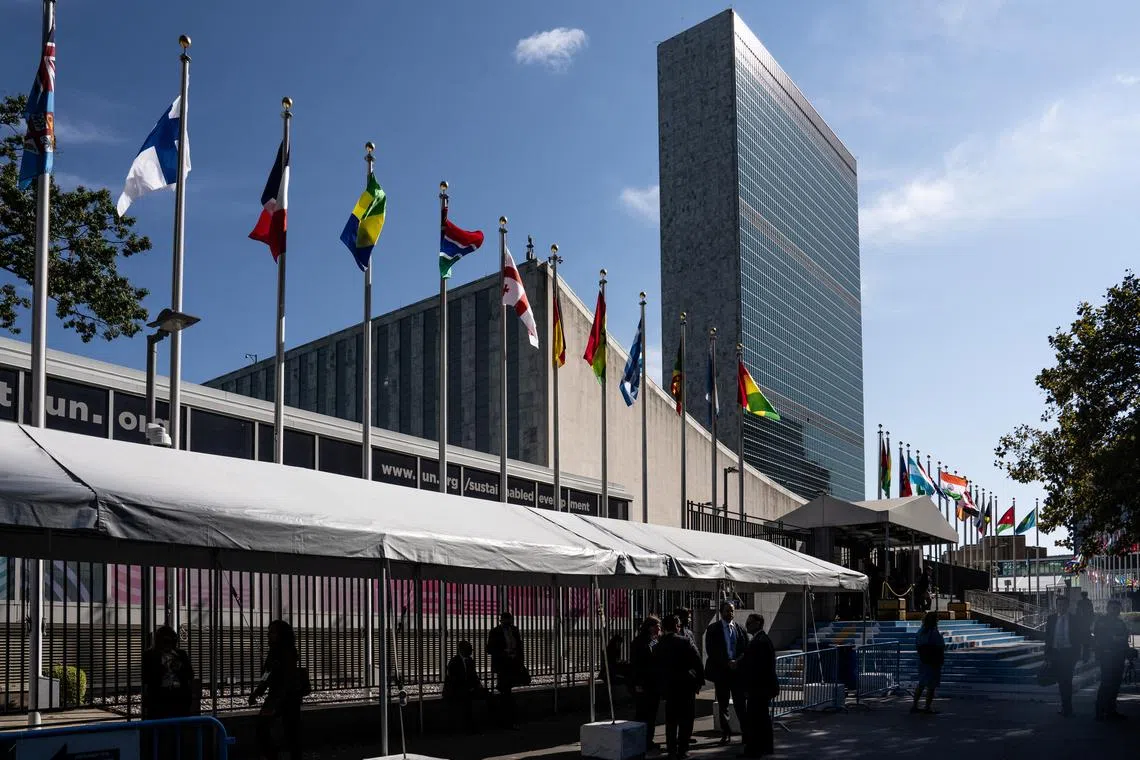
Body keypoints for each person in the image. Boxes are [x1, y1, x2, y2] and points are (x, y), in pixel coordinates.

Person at [249, 620, 307, 760]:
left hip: (287, 697)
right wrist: (257, 693)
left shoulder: (287, 652)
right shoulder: (273, 651)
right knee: (269, 729)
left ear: (281, 634)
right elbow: (267, 675)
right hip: (279, 697)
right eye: (269, 631)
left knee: (290, 733)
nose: (269, 635)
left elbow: (284, 678)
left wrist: (272, 703)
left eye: (273, 632)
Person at [656, 614, 704, 760]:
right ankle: (683, 750)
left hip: (669, 689)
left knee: (671, 721)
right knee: (686, 720)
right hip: (685, 687)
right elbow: (697, 662)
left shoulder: (659, 645)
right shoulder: (685, 641)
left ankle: (671, 749)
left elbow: (656, 668)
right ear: (676, 626)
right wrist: (698, 683)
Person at [704, 600, 748, 746]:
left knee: (740, 703)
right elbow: (711, 651)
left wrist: (738, 662)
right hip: (721, 672)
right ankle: (726, 733)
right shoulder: (713, 629)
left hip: (737, 673)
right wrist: (726, 662)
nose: (730, 613)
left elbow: (745, 650)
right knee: (723, 704)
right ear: (721, 612)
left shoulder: (739, 629)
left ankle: (746, 733)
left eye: (732, 611)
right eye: (727, 611)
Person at [741, 614, 778, 758]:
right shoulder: (761, 640)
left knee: (755, 719)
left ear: (757, 623)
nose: (747, 625)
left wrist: (748, 687)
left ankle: (754, 749)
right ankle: (764, 747)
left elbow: (757, 668)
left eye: (749, 623)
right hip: (761, 688)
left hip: (758, 689)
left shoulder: (760, 641)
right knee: (762, 718)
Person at [1045, 596, 1088, 717]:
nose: (1061, 607)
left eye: (1063, 605)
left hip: (1069, 653)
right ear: (1056, 606)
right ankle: (1065, 706)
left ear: (1068, 606)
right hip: (1055, 653)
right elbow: (1048, 637)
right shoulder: (1051, 619)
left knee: (1067, 680)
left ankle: (1067, 707)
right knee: (1061, 681)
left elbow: (1082, 636)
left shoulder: (1075, 619)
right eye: (1059, 605)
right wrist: (1047, 655)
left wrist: (1085, 652)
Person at [141, 625, 195, 720]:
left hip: (179, 696)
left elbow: (190, 674)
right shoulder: (150, 655)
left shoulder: (181, 654)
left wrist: (179, 667)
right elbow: (146, 677)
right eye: (164, 642)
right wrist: (162, 667)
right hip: (159, 696)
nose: (167, 645)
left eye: (170, 642)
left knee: (179, 725)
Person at [486, 611, 526, 728]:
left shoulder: (514, 630)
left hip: (512, 664)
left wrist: (519, 660)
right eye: (506, 621)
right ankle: (508, 720)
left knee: (506, 691)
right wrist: (504, 653)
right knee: (506, 691)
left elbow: (519, 646)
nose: (508, 623)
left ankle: (507, 719)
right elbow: (490, 649)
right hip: (503, 665)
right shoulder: (495, 632)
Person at [629, 616, 662, 755]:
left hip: (653, 684)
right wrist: (637, 683)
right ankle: (641, 741)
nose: (659, 628)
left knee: (652, 714)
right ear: (650, 627)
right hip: (643, 684)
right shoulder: (639, 643)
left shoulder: (655, 641)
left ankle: (649, 740)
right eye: (657, 626)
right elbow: (636, 665)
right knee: (642, 714)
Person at [1092, 600, 1129, 721]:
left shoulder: (1120, 622)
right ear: (1108, 609)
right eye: (1113, 608)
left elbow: (1124, 639)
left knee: (1115, 685)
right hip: (1107, 657)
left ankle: (1111, 710)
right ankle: (1100, 711)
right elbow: (1100, 638)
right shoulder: (1102, 622)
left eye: (1118, 608)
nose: (1116, 611)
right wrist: (1114, 639)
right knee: (1106, 684)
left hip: (1119, 657)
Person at [443, 640, 485, 734]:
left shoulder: (470, 661)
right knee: (466, 700)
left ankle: (474, 726)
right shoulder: (454, 662)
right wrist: (469, 687)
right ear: (461, 650)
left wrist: (477, 685)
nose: (471, 652)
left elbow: (474, 676)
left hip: (465, 688)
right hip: (455, 690)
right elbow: (454, 680)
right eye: (469, 649)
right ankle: (470, 727)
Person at [911, 612, 945, 714]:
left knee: (921, 683)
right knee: (931, 686)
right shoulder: (933, 632)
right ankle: (927, 707)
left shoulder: (921, 631)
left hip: (923, 660)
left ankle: (915, 705)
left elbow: (917, 645)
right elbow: (939, 645)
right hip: (932, 661)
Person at [1076, 592, 1095, 659]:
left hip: (1082, 623)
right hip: (1086, 623)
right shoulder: (1089, 602)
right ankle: (1086, 656)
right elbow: (1091, 613)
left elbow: (1077, 613)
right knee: (1086, 641)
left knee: (1083, 641)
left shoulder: (1080, 603)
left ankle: (1084, 656)